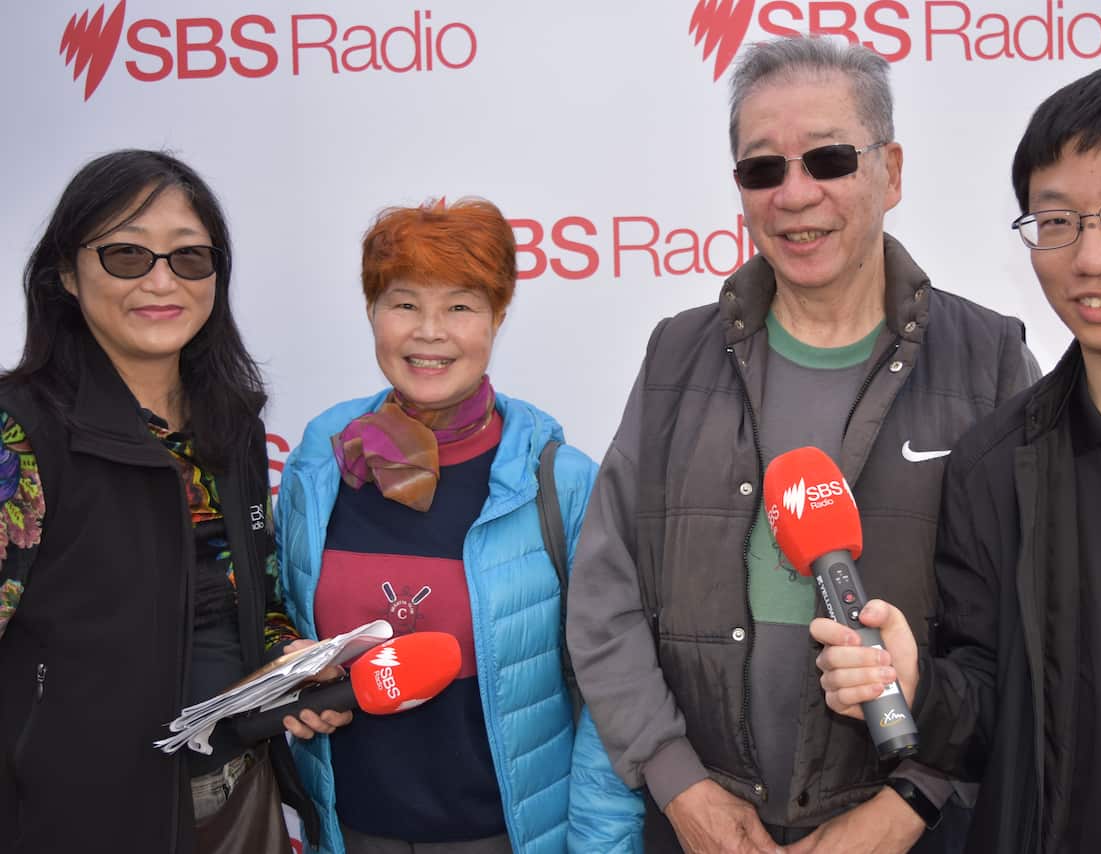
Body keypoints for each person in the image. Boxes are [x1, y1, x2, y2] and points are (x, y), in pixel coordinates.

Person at [567, 36, 1039, 854]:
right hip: (703, 828)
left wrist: (910, 807)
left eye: (828, 159)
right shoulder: (677, 354)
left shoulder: (990, 360)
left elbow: (1034, 623)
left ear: (890, 172)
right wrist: (680, 789)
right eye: (763, 169)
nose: (795, 194)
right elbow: (604, 595)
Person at [812, 64, 1101, 853]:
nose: (1091, 257)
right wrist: (915, 684)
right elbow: (990, 715)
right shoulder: (995, 462)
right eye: (1056, 221)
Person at [275, 197, 644, 854]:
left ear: (498, 318)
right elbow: (282, 620)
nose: (429, 332)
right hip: (349, 833)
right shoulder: (320, 458)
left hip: (505, 839)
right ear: (372, 314)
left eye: (461, 306)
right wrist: (300, 675)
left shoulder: (559, 482)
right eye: (405, 303)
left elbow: (609, 694)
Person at [0, 149, 342, 854]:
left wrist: (296, 665)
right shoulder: (21, 433)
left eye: (190, 259)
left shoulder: (233, 422)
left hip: (242, 796)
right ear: (65, 272)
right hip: (82, 820)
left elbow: (252, 599)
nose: (162, 281)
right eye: (127, 254)